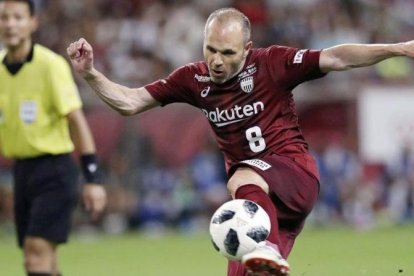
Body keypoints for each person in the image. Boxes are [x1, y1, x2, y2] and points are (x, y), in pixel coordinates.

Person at [67, 7, 414, 276]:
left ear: (247, 49)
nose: (217, 61)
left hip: (294, 177)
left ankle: (267, 248)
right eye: (211, 50)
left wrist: (398, 48)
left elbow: (337, 57)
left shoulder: (273, 63)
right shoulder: (193, 78)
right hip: (258, 206)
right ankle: (267, 250)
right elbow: (130, 102)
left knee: (240, 175)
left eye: (228, 53)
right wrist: (90, 74)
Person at [0, 1, 107, 276]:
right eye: (4, 17)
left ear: (32, 23)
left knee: (35, 257)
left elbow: (77, 121)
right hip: (21, 172)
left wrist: (92, 179)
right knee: (43, 261)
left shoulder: (50, 65)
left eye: (17, 17)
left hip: (54, 171)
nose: (10, 23)